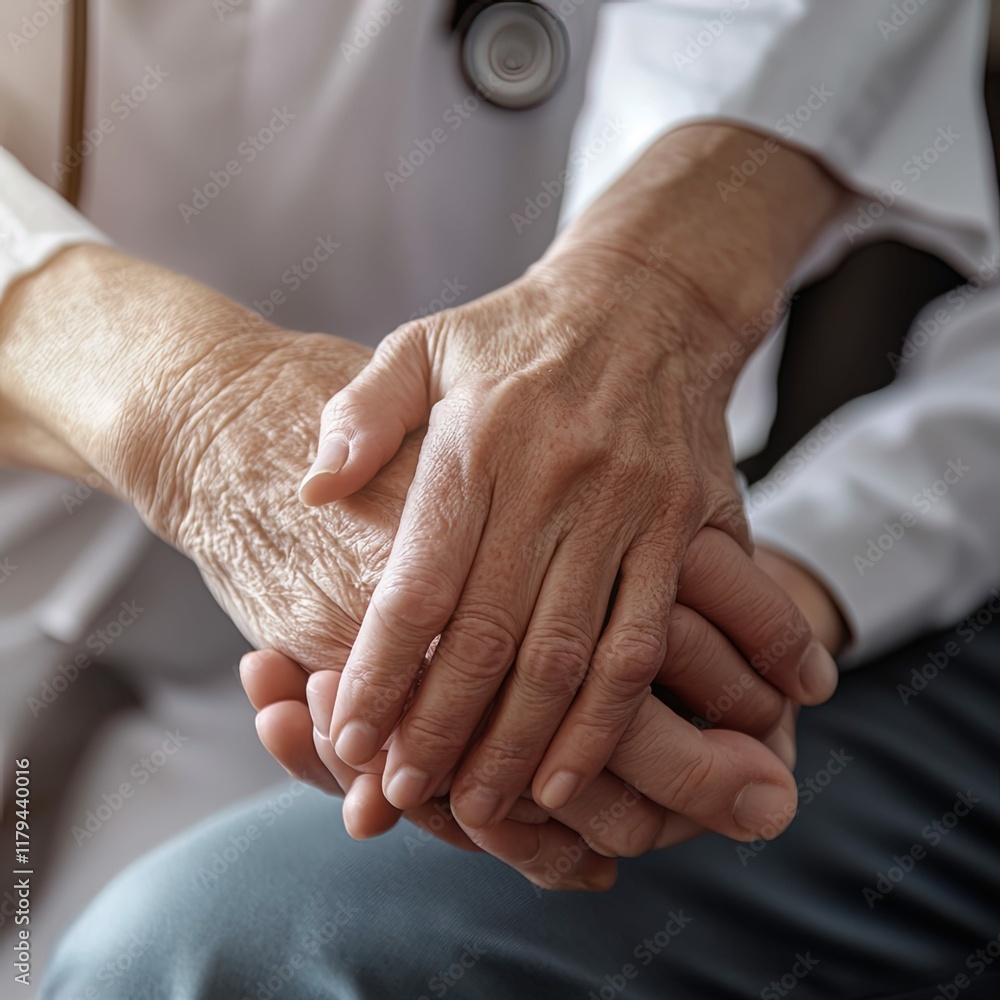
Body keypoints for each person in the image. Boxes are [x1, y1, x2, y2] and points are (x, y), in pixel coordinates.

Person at [0, 0, 994, 993]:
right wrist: (200, 410)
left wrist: (744, 567)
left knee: (179, 962)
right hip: (47, 519)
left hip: (401, 681)